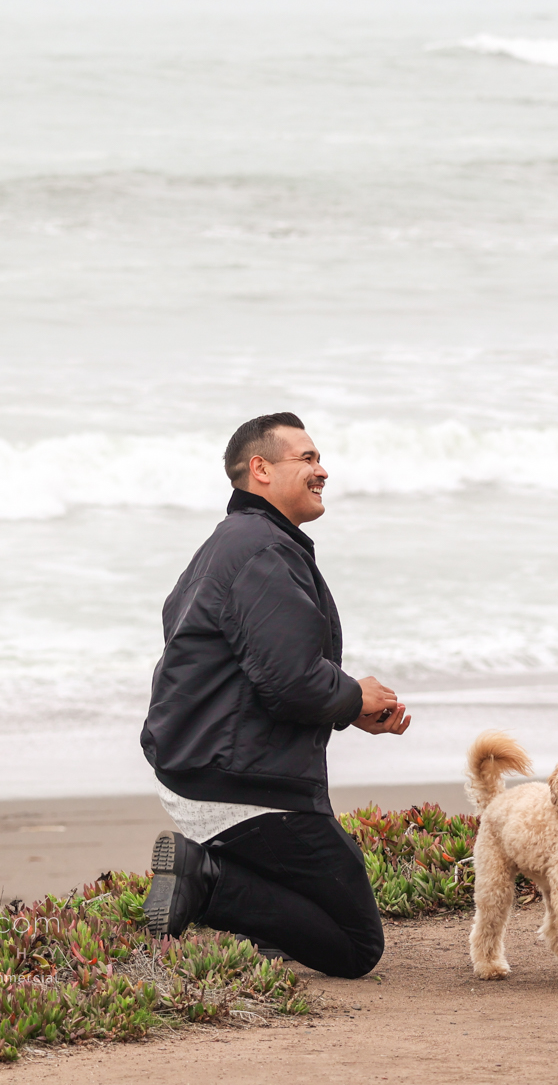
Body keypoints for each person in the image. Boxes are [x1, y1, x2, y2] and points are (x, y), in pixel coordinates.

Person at [139, 412, 410, 977]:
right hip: (244, 787)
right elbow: (288, 683)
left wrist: (349, 709)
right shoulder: (262, 552)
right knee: (355, 945)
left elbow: (257, 672)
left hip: (203, 768)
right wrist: (352, 693)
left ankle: (251, 911)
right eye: (307, 459)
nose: (322, 470)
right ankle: (204, 879)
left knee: (321, 895)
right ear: (260, 469)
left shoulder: (234, 543)